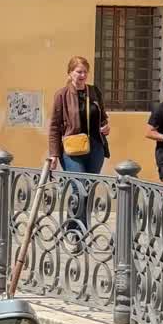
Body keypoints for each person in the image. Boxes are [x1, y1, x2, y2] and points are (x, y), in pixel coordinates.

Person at [48, 56, 111, 236]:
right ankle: (76, 231)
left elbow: (103, 116)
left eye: (85, 72)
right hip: (72, 149)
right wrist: (54, 154)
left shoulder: (94, 92)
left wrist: (106, 127)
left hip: (95, 147)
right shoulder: (62, 95)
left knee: (88, 189)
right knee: (79, 187)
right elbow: (54, 125)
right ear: (70, 73)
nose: (82, 75)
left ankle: (79, 228)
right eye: (78, 72)